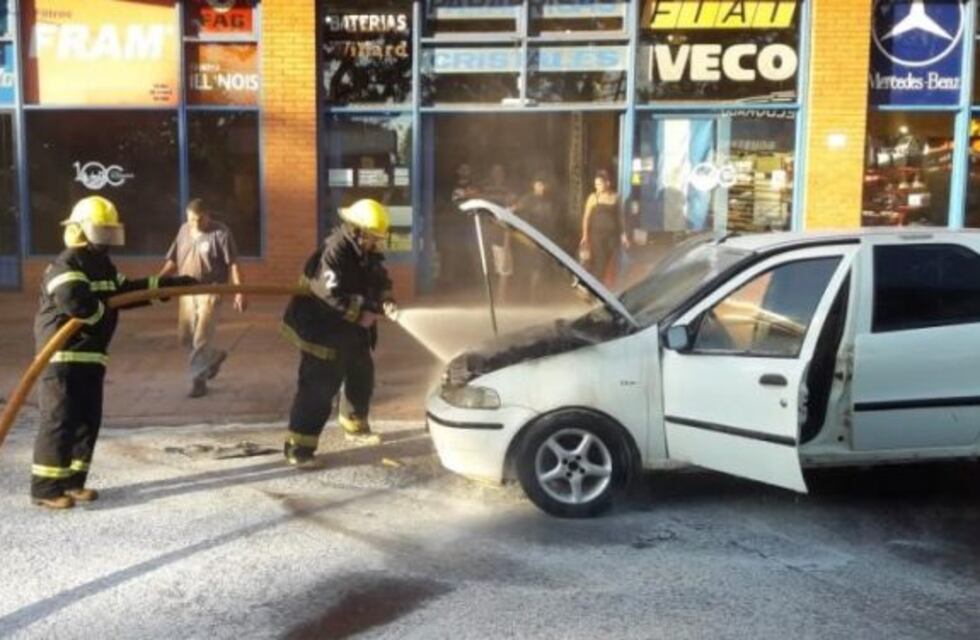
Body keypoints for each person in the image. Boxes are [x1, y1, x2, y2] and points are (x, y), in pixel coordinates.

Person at [31, 196, 195, 509]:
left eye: (109, 233)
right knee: (59, 421)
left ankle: (73, 482)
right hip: (62, 357)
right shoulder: (65, 264)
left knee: (87, 421)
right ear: (79, 230)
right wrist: (105, 310)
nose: (105, 240)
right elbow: (79, 306)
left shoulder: (101, 264)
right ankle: (45, 489)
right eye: (100, 232)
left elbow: (124, 290)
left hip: (92, 356)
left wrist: (166, 286)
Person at [279, 199, 399, 468]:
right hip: (322, 328)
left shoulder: (365, 249)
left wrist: (386, 298)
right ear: (358, 230)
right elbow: (329, 295)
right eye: (373, 237)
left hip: (350, 329)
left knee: (361, 375)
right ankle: (299, 449)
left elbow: (379, 276)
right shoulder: (336, 251)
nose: (376, 243)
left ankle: (354, 426)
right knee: (319, 388)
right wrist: (362, 313)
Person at [159, 198, 246, 398]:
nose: (195, 224)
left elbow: (233, 263)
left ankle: (198, 380)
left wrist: (240, 291)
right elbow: (172, 261)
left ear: (208, 215)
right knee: (185, 337)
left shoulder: (220, 233)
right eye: (191, 220)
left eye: (199, 220)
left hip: (211, 289)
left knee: (201, 336)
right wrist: (158, 281)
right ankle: (213, 357)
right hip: (186, 290)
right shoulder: (183, 231)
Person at [580, 170, 629, 288]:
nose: (597, 187)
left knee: (612, 262)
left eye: (600, 184)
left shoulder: (616, 197)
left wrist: (624, 236)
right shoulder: (593, 197)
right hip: (597, 236)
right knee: (600, 262)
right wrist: (585, 236)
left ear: (607, 183)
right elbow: (586, 218)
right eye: (596, 184)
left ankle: (602, 289)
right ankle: (593, 289)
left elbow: (620, 218)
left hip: (612, 237)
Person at [514, 173, 558, 302]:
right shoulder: (527, 199)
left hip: (543, 239)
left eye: (543, 185)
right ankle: (521, 297)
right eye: (539, 185)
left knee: (539, 268)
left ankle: (534, 297)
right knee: (525, 268)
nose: (541, 187)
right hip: (527, 239)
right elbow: (515, 209)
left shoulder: (549, 201)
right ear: (533, 185)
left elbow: (552, 220)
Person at [481, 164, 517, 302]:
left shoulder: (507, 191)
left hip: (502, 233)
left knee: (504, 268)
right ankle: (498, 297)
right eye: (495, 172)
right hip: (492, 234)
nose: (498, 175)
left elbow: (510, 213)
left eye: (500, 172)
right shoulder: (488, 190)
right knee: (500, 268)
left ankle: (501, 297)